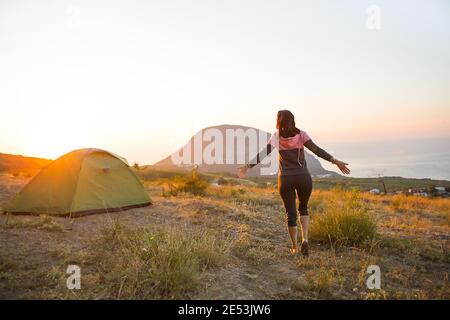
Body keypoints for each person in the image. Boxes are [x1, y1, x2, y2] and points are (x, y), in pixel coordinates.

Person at [238, 110, 350, 256]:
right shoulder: (302, 134)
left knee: (290, 214)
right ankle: (305, 239)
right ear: (293, 120)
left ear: (278, 121)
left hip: (285, 179)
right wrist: (335, 161)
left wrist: (247, 166)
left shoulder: (276, 137)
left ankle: (294, 247)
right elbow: (317, 150)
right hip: (303, 177)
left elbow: (263, 154)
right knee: (303, 208)